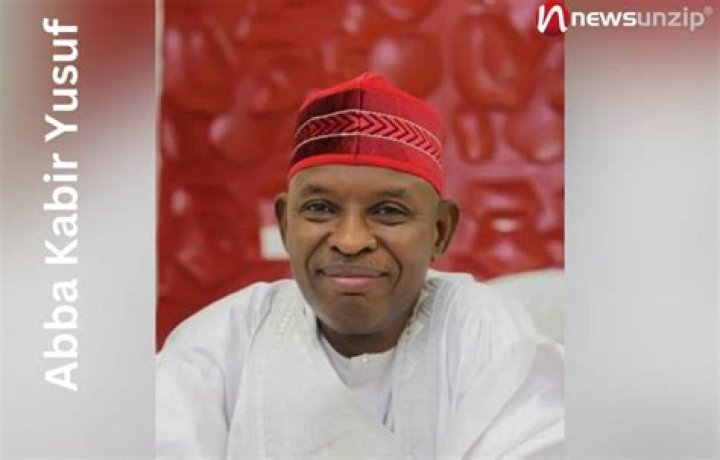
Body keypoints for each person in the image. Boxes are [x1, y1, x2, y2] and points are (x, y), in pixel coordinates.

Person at [156, 73, 564, 459]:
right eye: (320, 208)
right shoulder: (217, 347)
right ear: (285, 224)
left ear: (439, 231)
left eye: (388, 211)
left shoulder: (481, 334)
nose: (350, 240)